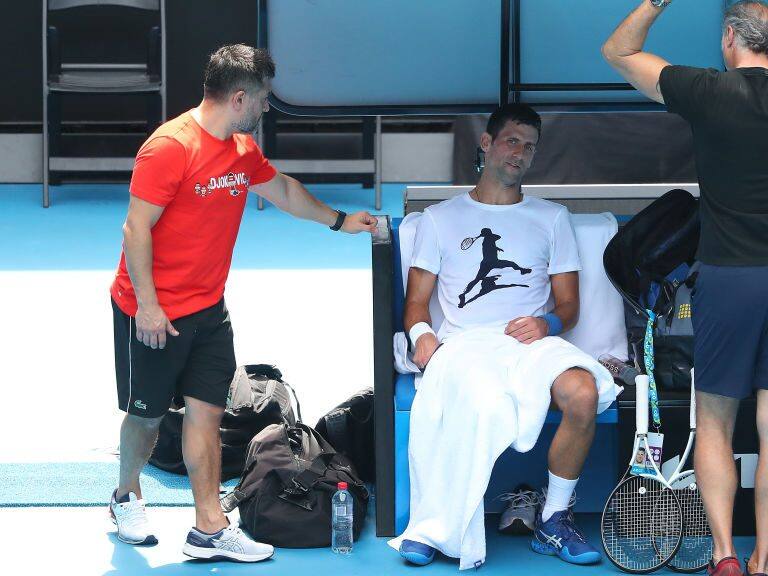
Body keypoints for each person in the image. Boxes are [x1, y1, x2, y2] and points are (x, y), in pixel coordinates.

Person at [108, 44, 376, 562]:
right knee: (146, 417)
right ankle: (125, 496)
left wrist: (340, 221)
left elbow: (285, 192)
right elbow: (135, 229)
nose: (266, 107)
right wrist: (148, 307)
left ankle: (209, 528)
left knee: (206, 414)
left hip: (209, 308)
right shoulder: (169, 148)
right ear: (238, 97)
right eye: (262, 98)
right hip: (152, 311)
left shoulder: (241, 151)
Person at [390, 103, 616, 569]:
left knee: (583, 392)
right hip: (466, 345)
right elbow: (416, 303)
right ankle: (436, 525)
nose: (520, 153)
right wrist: (422, 335)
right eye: (512, 141)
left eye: (529, 147)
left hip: (530, 344)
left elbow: (569, 306)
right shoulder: (438, 219)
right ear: (487, 143)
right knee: (475, 401)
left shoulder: (553, 218)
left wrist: (547, 324)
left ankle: (554, 520)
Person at [603, 2, 768, 575]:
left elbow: (618, 51)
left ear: (730, 38)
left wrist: (656, 1)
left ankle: (725, 558)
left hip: (728, 276)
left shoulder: (708, 90)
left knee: (715, 420)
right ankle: (765, 560)